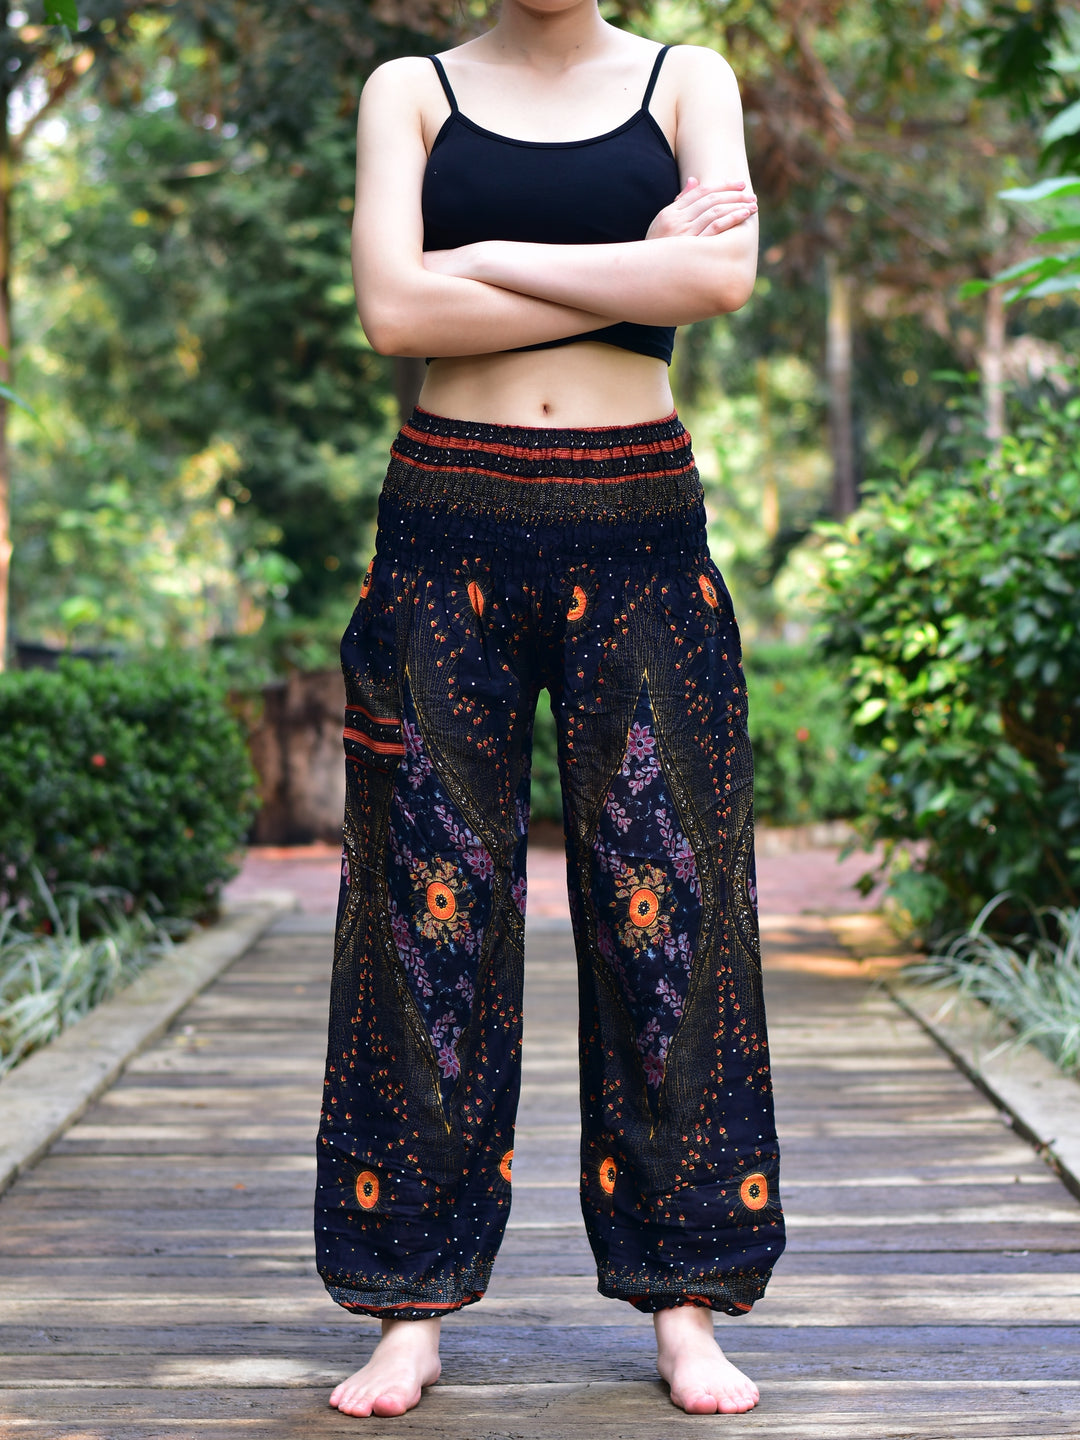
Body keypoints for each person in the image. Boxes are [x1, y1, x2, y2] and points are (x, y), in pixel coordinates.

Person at [316, 0, 785, 1419]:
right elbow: (396, 313)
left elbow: (723, 277)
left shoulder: (688, 80)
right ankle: (408, 1307)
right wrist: (639, 269)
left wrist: (485, 260)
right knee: (424, 909)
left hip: (640, 524)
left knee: (673, 909)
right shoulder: (410, 91)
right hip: (443, 518)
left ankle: (687, 1304)